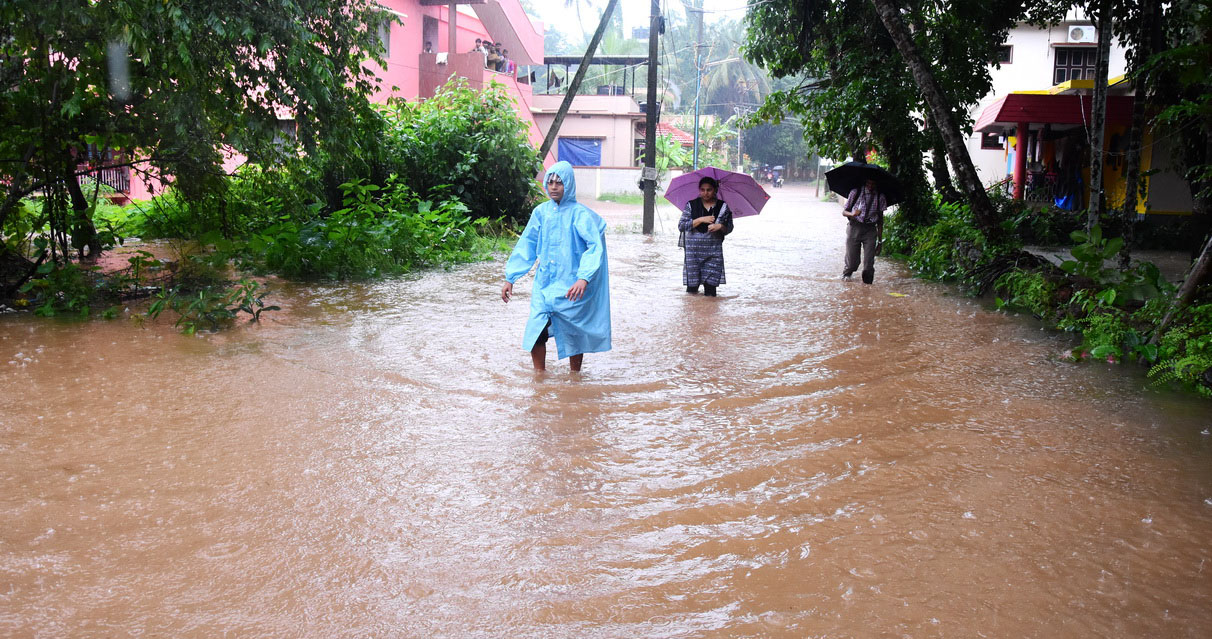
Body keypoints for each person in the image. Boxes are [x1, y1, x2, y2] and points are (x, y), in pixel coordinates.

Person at [501, 161, 611, 372]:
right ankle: (539, 378)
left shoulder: (581, 215)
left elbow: (594, 247)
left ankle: (574, 377)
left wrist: (583, 277)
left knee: (574, 330)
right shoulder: (541, 213)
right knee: (536, 329)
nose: (553, 186)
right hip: (544, 284)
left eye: (559, 182)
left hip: (571, 284)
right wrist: (510, 278)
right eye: (550, 181)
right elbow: (527, 245)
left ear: (568, 185)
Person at [678, 176, 734, 297]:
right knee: (692, 291)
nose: (705, 193)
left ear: (715, 190)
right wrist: (700, 219)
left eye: (709, 190)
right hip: (693, 255)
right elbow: (682, 226)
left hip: (713, 254)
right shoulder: (691, 205)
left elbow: (729, 228)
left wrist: (720, 226)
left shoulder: (723, 207)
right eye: (702, 190)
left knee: (710, 292)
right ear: (699, 190)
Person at [841, 177, 888, 284]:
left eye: (873, 184)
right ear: (865, 182)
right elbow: (844, 212)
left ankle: (867, 286)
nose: (870, 186)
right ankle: (846, 275)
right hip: (854, 227)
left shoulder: (880, 197)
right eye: (868, 183)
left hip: (870, 229)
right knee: (852, 263)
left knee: (868, 264)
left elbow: (880, 221)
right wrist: (852, 214)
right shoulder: (855, 192)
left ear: (876, 184)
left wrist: (880, 242)